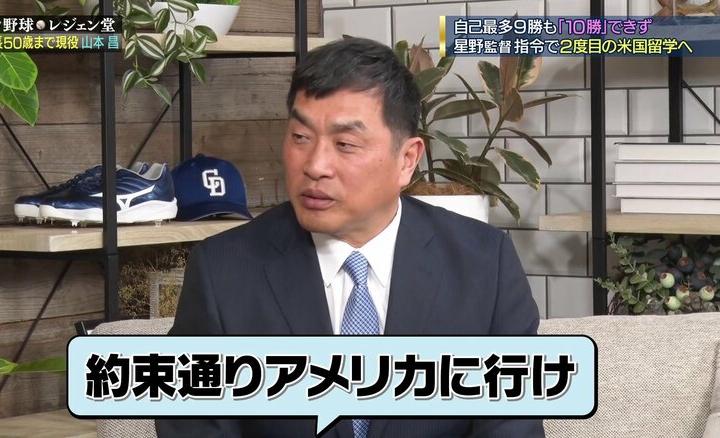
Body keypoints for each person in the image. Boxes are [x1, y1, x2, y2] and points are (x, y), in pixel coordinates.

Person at [156, 37, 544, 438]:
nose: (315, 166)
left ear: (407, 159)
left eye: (345, 144)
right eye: (300, 137)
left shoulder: (485, 265)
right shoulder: (223, 272)